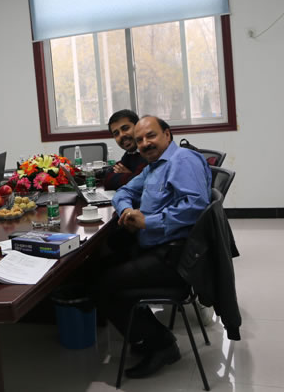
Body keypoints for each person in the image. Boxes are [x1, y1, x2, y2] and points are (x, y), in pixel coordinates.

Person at [93, 116, 212, 379]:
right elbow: (123, 192)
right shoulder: (154, 166)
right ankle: (145, 332)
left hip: (177, 257)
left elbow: (196, 206)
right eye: (139, 140)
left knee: (103, 285)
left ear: (167, 134)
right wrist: (127, 212)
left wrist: (148, 221)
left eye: (151, 136)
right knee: (97, 268)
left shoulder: (183, 160)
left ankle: (162, 344)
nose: (145, 143)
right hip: (156, 247)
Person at [103, 109, 148, 190]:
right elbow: (107, 180)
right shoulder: (130, 154)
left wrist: (131, 177)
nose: (121, 135)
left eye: (125, 128)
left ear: (138, 126)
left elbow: (141, 184)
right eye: (116, 133)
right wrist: (131, 176)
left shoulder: (149, 152)